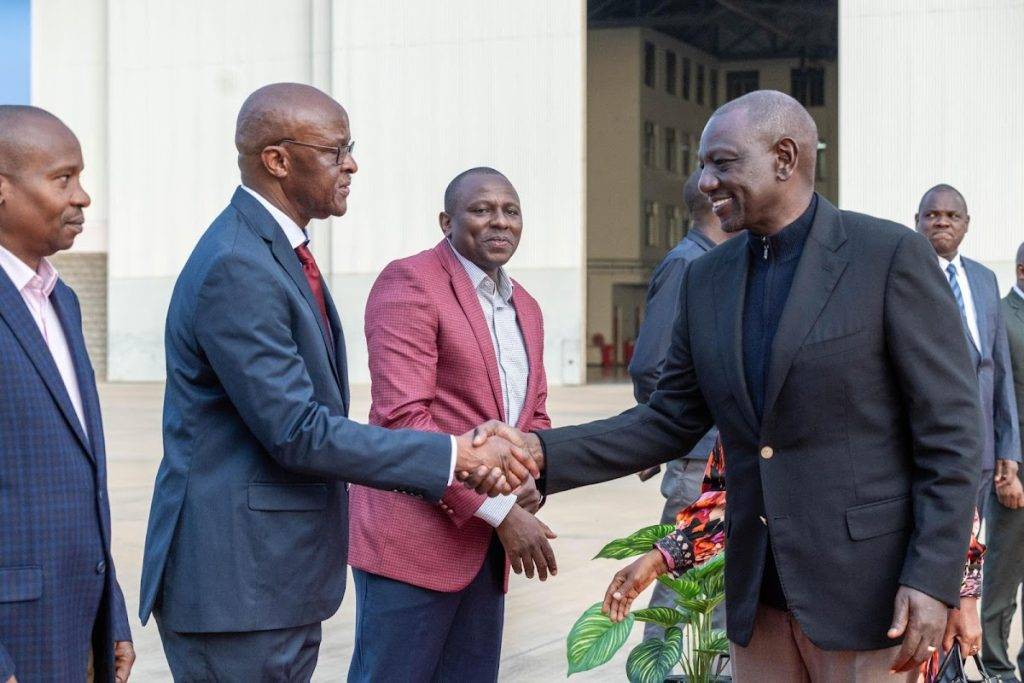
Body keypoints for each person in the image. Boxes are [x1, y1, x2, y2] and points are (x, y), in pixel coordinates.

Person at [468, 90, 982, 681]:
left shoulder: (888, 256)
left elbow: (951, 435)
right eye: (702, 164)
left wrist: (933, 579)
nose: (705, 181)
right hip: (758, 603)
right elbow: (668, 420)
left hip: (871, 602)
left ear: (785, 158)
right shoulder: (708, 278)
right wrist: (538, 451)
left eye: (722, 163)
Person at [138, 84, 536, 681]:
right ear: (277, 160)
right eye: (335, 150)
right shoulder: (238, 265)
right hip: (237, 583)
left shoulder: (276, 253)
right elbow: (298, 431)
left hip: (274, 580)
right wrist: (456, 454)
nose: (350, 164)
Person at [347, 167, 556, 682]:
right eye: (482, 210)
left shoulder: (525, 306)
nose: (499, 223)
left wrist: (533, 480)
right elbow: (403, 423)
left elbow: (536, 415)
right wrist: (501, 510)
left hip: (483, 554)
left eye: (511, 211)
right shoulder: (410, 282)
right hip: (412, 542)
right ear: (447, 221)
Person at [0, 106, 135, 682]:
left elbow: (79, 482)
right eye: (62, 178)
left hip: (78, 627)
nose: (82, 197)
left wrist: (112, 616)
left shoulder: (62, 301)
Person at [629, 168, 735, 639]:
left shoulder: (716, 263)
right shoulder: (686, 265)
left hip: (721, 455)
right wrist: (665, 435)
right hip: (698, 456)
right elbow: (650, 365)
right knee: (679, 573)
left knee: (717, 584)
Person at [914, 184, 1021, 520]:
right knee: (932, 550)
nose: (942, 222)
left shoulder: (984, 279)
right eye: (932, 215)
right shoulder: (904, 275)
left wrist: (1008, 447)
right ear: (917, 221)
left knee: (970, 554)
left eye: (952, 215)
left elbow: (998, 367)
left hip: (983, 450)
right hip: (925, 448)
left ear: (967, 223)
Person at [981, 241, 1024, 682]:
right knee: (1003, 577)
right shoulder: (1002, 316)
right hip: (1016, 472)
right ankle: (996, 665)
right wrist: (1005, 468)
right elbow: (998, 399)